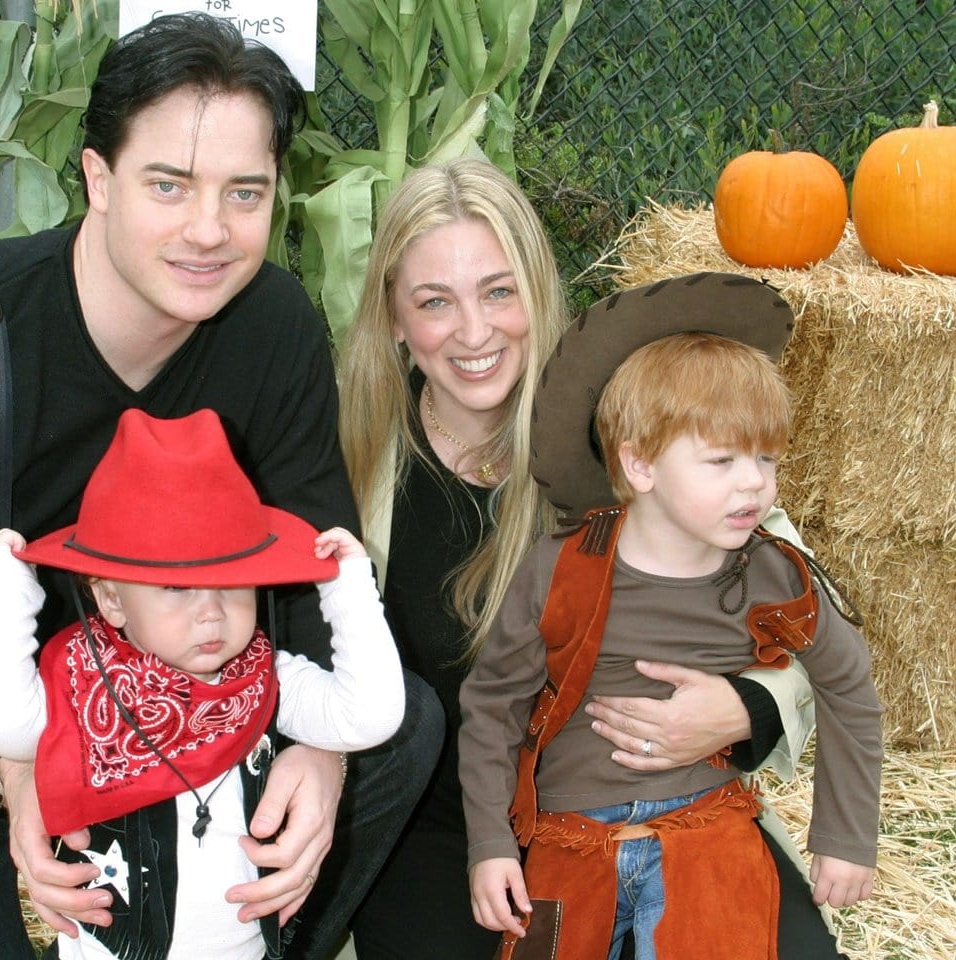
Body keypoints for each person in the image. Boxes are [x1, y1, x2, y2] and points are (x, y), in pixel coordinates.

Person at [0, 14, 440, 960]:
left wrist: (323, 750)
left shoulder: (270, 326)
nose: (210, 230)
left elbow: (316, 558)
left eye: (245, 192)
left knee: (400, 729)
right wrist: (9, 764)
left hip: (172, 700)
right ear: (97, 180)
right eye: (170, 185)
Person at [337, 161, 842, 960]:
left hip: (646, 803)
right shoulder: (354, 454)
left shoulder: (619, 423)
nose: (474, 332)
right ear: (396, 319)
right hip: (444, 831)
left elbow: (814, 602)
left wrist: (749, 705)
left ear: (538, 293)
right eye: (435, 302)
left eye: (499, 292)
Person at [459, 279, 883, 959]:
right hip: (570, 836)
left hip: (706, 828)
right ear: (640, 464)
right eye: (722, 461)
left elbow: (849, 689)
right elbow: (491, 710)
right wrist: (489, 846)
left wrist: (845, 836)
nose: (755, 482)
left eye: (766, 458)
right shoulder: (559, 568)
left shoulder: (771, 574)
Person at [0, 408, 406, 960]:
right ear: (111, 600)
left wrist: (348, 589)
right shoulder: (84, 689)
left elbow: (369, 715)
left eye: (234, 585)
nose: (212, 614)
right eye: (176, 588)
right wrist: (9, 592)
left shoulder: (263, 679)